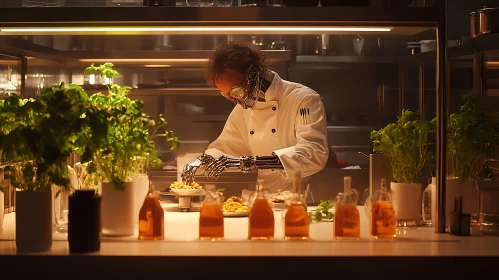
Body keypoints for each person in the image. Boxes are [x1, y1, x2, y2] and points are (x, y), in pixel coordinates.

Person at [181, 41, 328, 192]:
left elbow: (314, 152)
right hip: (263, 198)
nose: (236, 100)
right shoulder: (243, 109)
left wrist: (251, 162)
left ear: (252, 74)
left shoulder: (302, 99)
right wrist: (200, 162)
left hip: (298, 198)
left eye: (237, 92)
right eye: (228, 95)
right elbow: (225, 148)